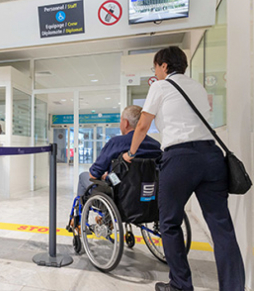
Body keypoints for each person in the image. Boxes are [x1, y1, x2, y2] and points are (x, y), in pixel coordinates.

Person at [123, 46, 245, 291]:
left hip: (180, 158)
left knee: (168, 223)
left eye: (155, 67)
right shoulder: (197, 87)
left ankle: (180, 285)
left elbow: (142, 125)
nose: (155, 72)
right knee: (222, 227)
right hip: (212, 157)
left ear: (164, 66)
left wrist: (131, 153)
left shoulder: (160, 86)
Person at [75, 105, 161, 198]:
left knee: (83, 176)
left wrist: (104, 176)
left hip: (118, 195)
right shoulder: (155, 145)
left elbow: (94, 174)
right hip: (148, 195)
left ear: (125, 123)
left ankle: (80, 210)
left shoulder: (116, 143)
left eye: (121, 121)